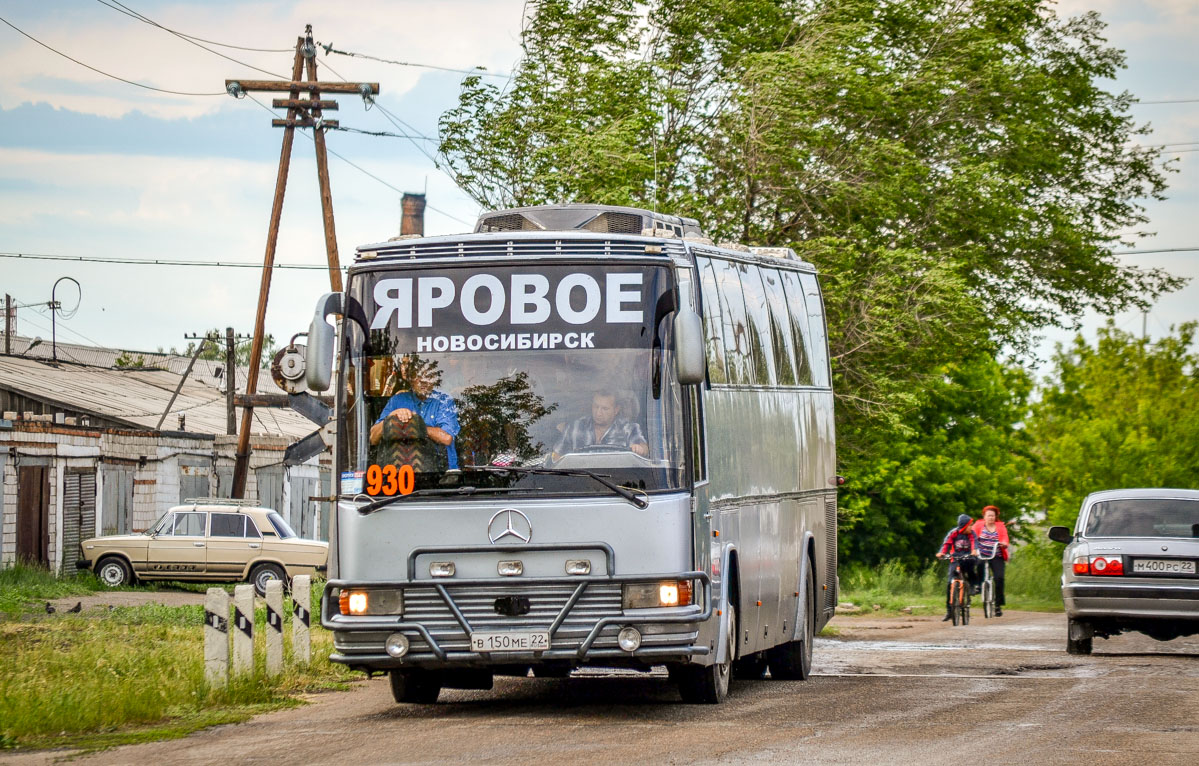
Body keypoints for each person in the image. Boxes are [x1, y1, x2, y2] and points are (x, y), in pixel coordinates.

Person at [369, 355, 460, 471]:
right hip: (401, 475)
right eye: (418, 376)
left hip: (443, 474)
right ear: (410, 379)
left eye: (428, 376)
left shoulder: (444, 400)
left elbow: (446, 438)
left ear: (435, 380)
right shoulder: (397, 401)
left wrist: (414, 424)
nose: (423, 381)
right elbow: (373, 438)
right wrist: (392, 417)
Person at [552, 389, 648, 459]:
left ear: (616, 410)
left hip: (618, 483)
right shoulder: (575, 427)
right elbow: (556, 456)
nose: (598, 413)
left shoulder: (629, 429)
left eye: (604, 408)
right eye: (596, 406)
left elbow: (644, 448)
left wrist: (640, 448)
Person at [936, 513, 978, 622]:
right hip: (955, 558)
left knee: (971, 570)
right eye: (970, 525)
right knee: (950, 583)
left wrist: (974, 551)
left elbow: (974, 543)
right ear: (964, 526)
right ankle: (950, 611)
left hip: (968, 557)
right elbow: (946, 543)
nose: (971, 527)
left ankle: (973, 586)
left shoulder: (972, 534)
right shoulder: (953, 533)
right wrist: (941, 553)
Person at [972, 505, 1010, 617]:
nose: (991, 518)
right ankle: (978, 585)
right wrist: (973, 548)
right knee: (979, 565)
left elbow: (1004, 538)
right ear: (984, 516)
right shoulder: (978, 525)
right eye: (989, 515)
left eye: (993, 515)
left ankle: (998, 605)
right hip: (982, 554)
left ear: (995, 517)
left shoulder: (1001, 527)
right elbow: (972, 537)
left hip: (996, 555)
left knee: (999, 578)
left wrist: (1004, 543)